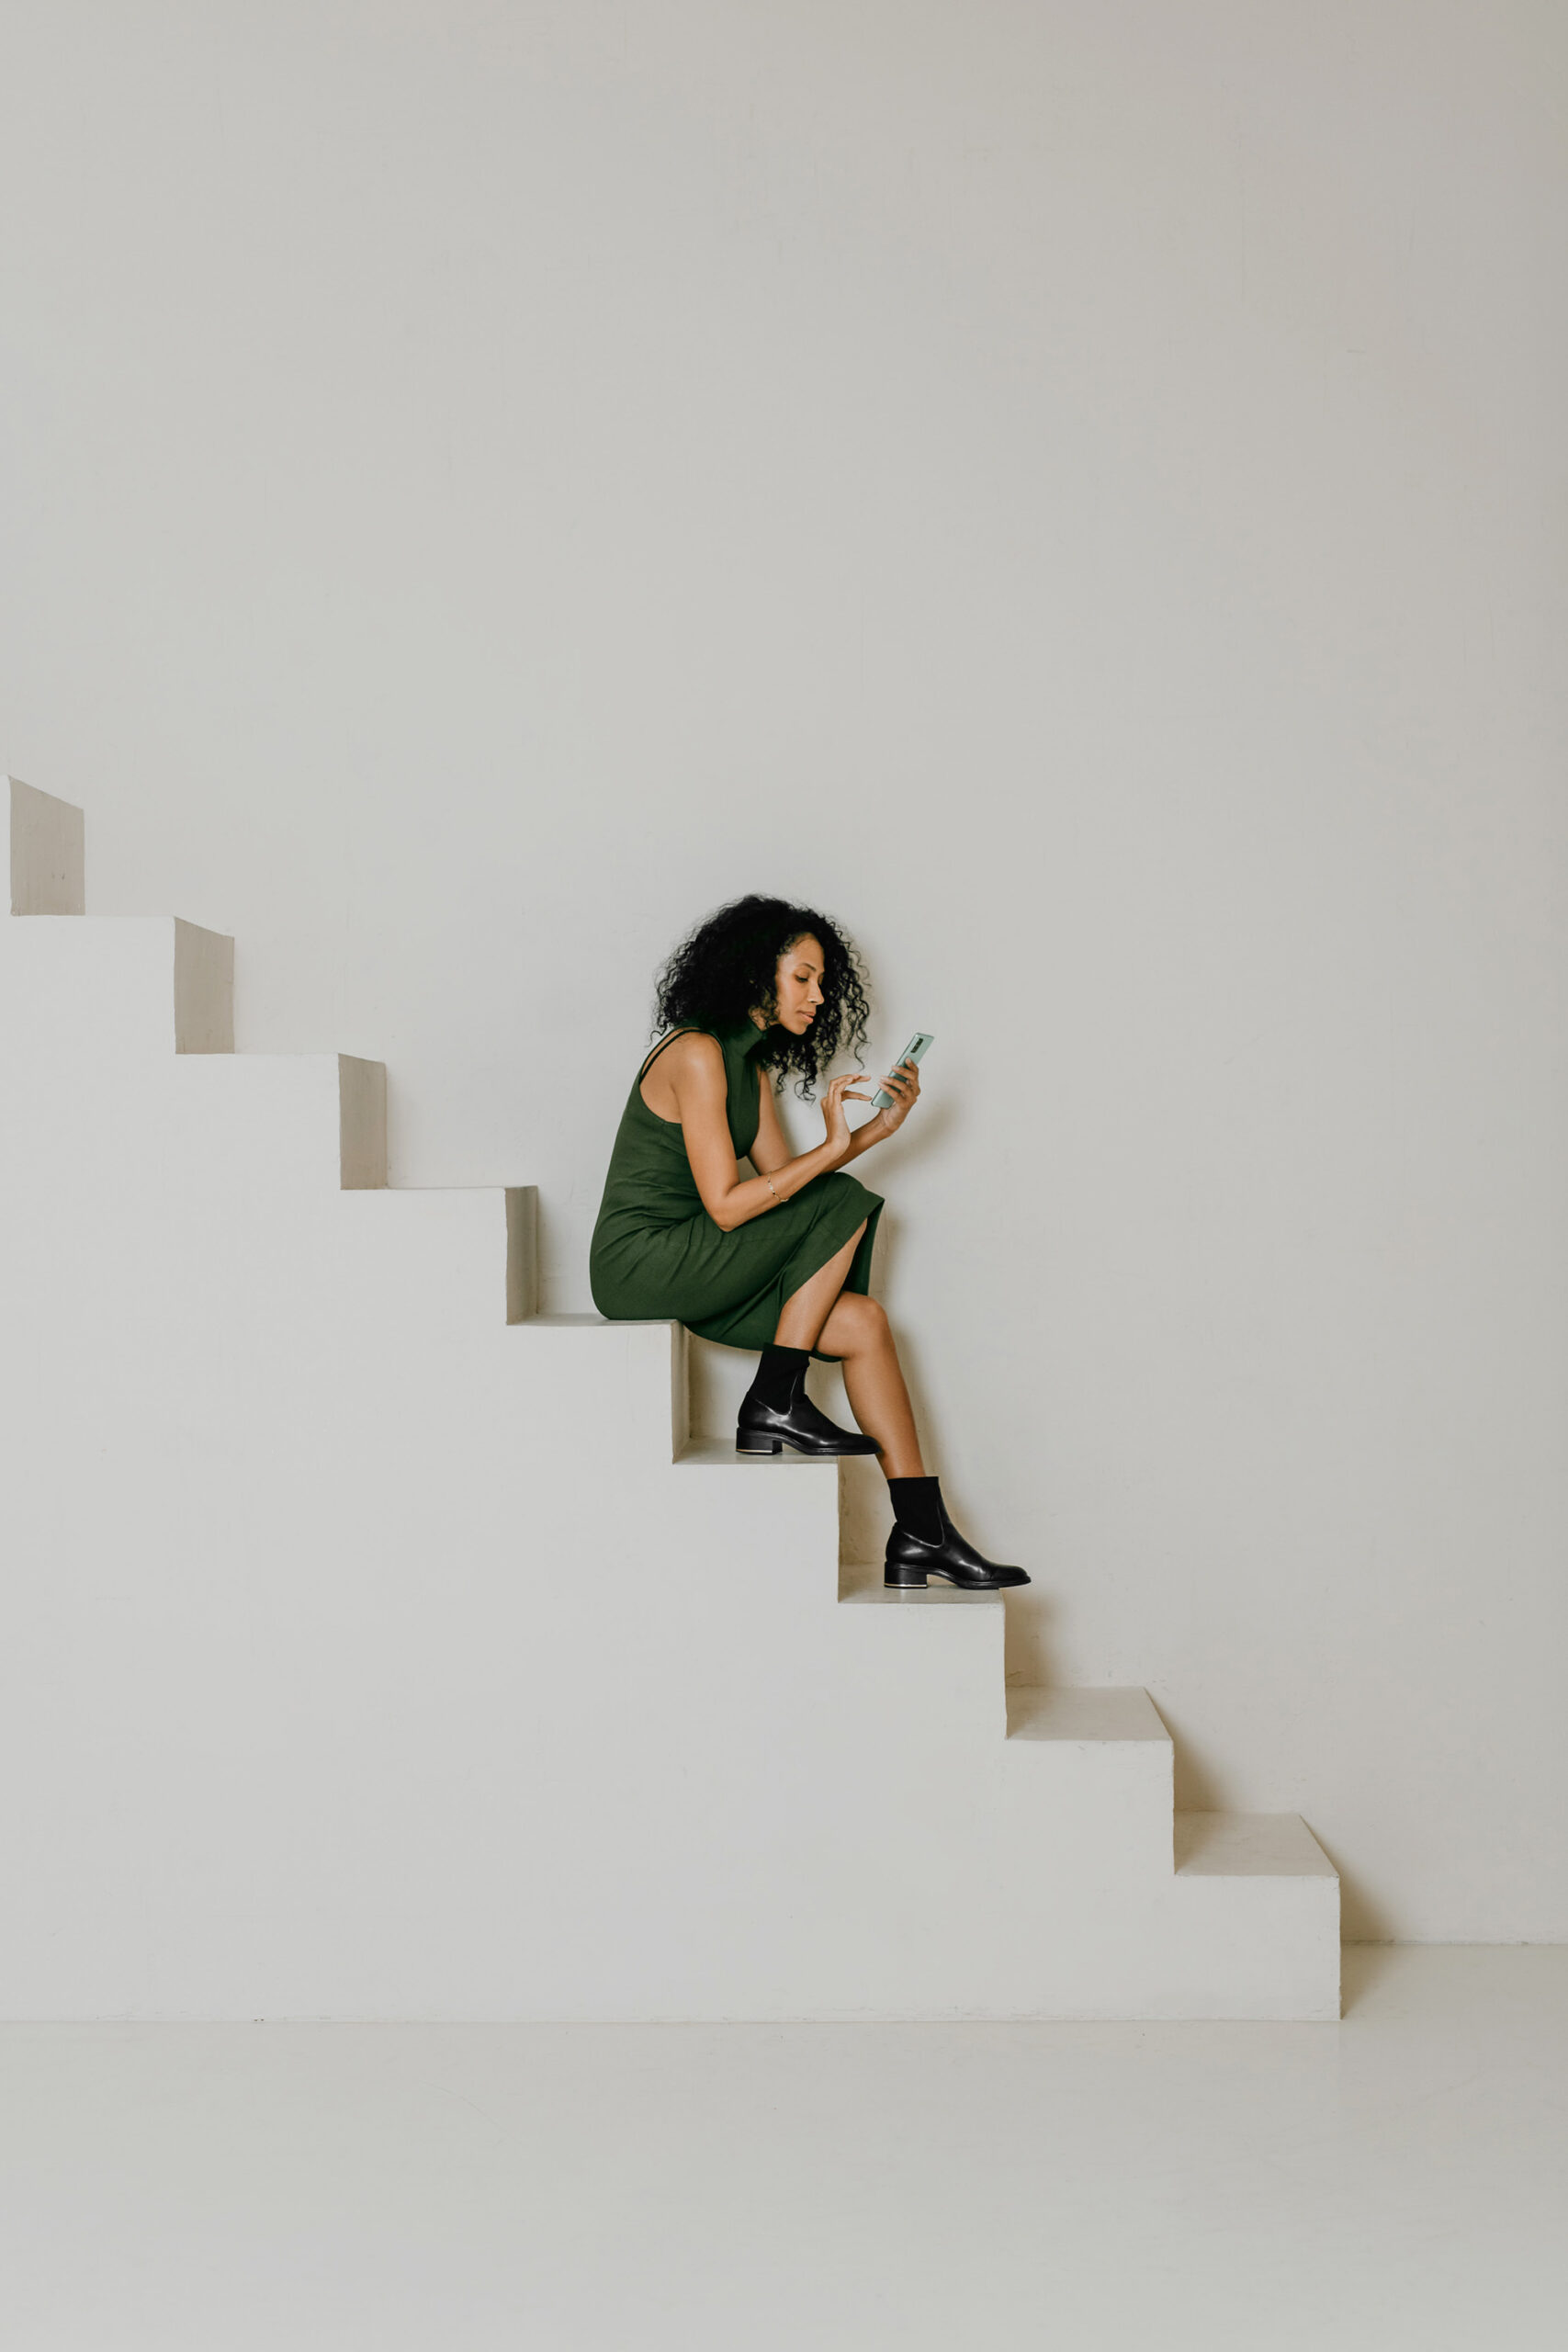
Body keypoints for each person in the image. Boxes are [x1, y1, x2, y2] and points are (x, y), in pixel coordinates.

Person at [589, 895, 1028, 1591]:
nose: (819, 997)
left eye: (822, 982)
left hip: (701, 1259)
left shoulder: (749, 1066)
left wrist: (872, 1134)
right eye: (803, 977)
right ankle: (775, 1394)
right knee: (841, 1199)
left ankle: (921, 1531)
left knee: (863, 1322)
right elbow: (732, 1209)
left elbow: (783, 1187)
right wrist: (832, 1147)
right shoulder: (698, 1054)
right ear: (753, 974)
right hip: (644, 1262)